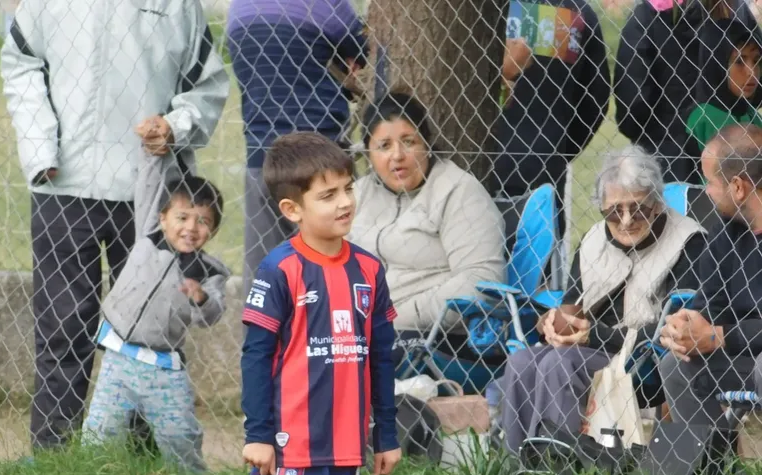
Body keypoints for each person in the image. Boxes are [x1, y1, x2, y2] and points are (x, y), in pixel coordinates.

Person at [1, 0, 229, 452]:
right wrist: (42, 148)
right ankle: (54, 453)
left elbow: (207, 82)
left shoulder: (180, 4)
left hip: (154, 198)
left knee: (151, 328)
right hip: (63, 184)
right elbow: (21, 62)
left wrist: (175, 126)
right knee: (63, 328)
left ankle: (141, 455)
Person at [240, 132, 401, 475]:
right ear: (292, 209)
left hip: (346, 438)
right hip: (291, 437)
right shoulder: (279, 270)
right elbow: (255, 358)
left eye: (348, 188)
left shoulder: (370, 271)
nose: (345, 202)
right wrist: (259, 434)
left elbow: (383, 356)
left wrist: (388, 432)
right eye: (327, 195)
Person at [501, 146, 707, 454]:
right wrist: (553, 324)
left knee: (560, 363)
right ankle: (519, 463)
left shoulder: (688, 242)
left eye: (637, 209)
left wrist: (592, 335)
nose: (625, 221)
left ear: (656, 203)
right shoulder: (593, 240)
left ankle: (562, 463)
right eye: (614, 211)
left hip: (643, 362)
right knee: (521, 362)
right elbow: (572, 304)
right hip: (587, 350)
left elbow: (674, 331)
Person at [81, 157, 228, 473]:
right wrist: (152, 150)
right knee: (101, 431)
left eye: (203, 221)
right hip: (118, 358)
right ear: (162, 218)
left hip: (163, 369)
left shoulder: (208, 272)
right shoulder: (147, 236)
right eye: (182, 217)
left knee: (178, 434)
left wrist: (200, 298)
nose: (191, 227)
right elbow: (149, 179)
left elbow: (211, 314)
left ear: (212, 230)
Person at [348, 92, 506, 359]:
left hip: (438, 337)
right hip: (362, 328)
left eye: (408, 142)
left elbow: (483, 282)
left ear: (427, 143)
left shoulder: (457, 190)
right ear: (369, 154)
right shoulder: (360, 194)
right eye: (384, 146)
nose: (397, 155)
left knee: (352, 363)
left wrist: (393, 317)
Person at [227, 0, 367, 299]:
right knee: (331, 273)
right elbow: (363, 48)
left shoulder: (240, 7)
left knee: (264, 279)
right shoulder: (325, 3)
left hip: (261, 155)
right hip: (320, 153)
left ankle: (264, 340)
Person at [659, 123, 762, 426]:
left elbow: (718, 332)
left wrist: (718, 336)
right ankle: (712, 467)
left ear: (738, 187)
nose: (706, 191)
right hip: (743, 352)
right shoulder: (727, 232)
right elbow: (710, 304)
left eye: (710, 182)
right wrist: (684, 327)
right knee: (676, 367)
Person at [495, 0, 611, 233]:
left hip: (481, 157)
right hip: (544, 163)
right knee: (540, 259)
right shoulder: (575, 11)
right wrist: (558, 148)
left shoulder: (479, 9)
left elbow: (595, 98)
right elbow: (595, 99)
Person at [613, 0, 706, 183]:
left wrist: (640, 133)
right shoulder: (729, 9)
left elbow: (632, 98)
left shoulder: (644, 17)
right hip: (722, 142)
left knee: (665, 208)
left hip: (660, 148)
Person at [684, 16, 762, 155]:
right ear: (716, 65)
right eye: (739, 61)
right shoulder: (702, 119)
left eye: (757, 60)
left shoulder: (750, 115)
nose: (752, 71)